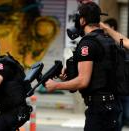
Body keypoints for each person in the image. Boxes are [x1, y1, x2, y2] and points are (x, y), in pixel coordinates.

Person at [45, 2, 121, 131]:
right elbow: (99, 73)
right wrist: (70, 76)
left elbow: (83, 81)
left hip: (99, 109)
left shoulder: (88, 43)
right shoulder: (108, 40)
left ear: (82, 20)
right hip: (112, 106)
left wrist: (56, 85)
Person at [103, 18, 129, 130]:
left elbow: (125, 46)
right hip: (114, 89)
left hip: (125, 87)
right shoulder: (102, 42)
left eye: (106, 27)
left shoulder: (121, 43)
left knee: (125, 116)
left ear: (112, 28)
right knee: (116, 120)